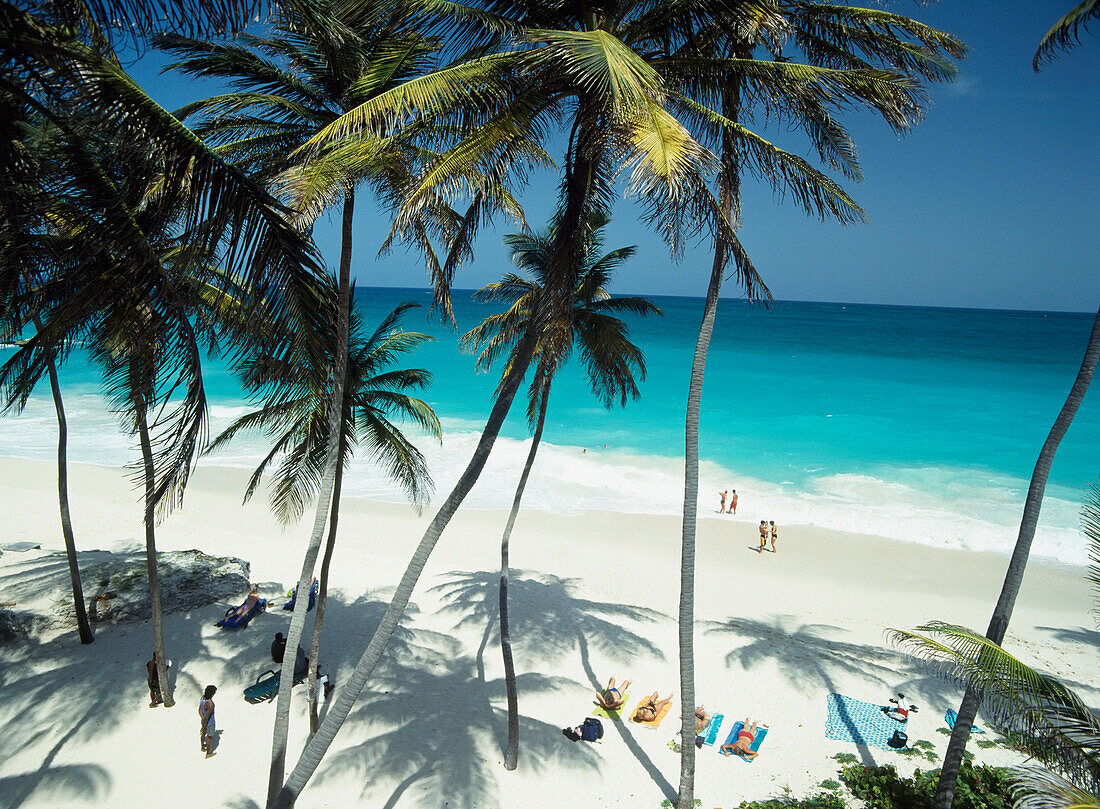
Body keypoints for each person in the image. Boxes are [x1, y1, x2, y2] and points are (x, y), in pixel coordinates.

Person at [198, 685, 217, 759]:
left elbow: (199, 710)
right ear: (212, 694)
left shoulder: (202, 698)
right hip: (210, 723)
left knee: (203, 734)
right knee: (209, 737)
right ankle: (208, 754)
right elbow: (207, 717)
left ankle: (202, 747)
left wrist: (202, 721)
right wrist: (203, 725)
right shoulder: (211, 704)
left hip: (203, 721)